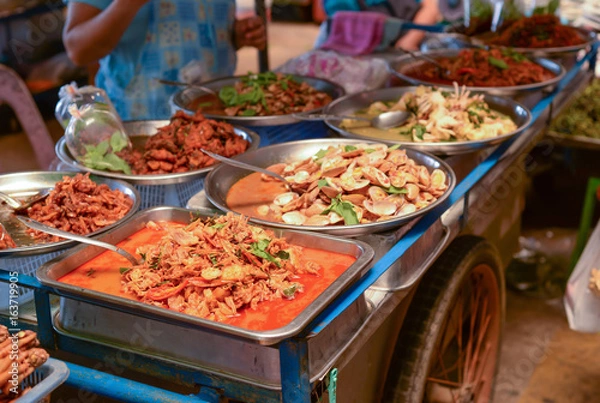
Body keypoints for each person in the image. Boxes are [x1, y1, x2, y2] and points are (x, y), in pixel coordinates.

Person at [62, 0, 266, 120]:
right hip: (141, 129)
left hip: (216, 121)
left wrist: (236, 35)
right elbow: (78, 51)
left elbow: (204, 33)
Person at [321, 0, 441, 50]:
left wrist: (410, 40)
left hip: (409, 43)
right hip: (359, 50)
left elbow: (431, 6)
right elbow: (342, 23)